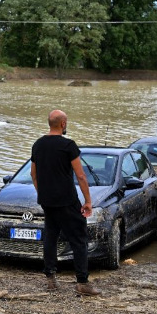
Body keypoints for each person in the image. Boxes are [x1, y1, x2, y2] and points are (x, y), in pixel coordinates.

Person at [30, 110, 101, 296]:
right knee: (79, 239)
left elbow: (33, 175)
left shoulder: (38, 145)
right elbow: (81, 176)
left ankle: (51, 279)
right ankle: (82, 282)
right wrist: (88, 201)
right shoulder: (68, 145)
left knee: (51, 237)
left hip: (47, 201)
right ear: (62, 124)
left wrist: (43, 193)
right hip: (67, 200)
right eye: (66, 122)